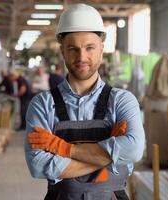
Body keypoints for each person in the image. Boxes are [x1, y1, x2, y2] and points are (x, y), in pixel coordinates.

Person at [24, 4, 144, 200]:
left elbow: (133, 150)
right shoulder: (43, 105)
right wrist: (109, 156)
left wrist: (64, 148)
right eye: (73, 49)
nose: (82, 57)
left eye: (90, 47)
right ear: (62, 50)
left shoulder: (122, 101)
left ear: (101, 49)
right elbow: (38, 165)